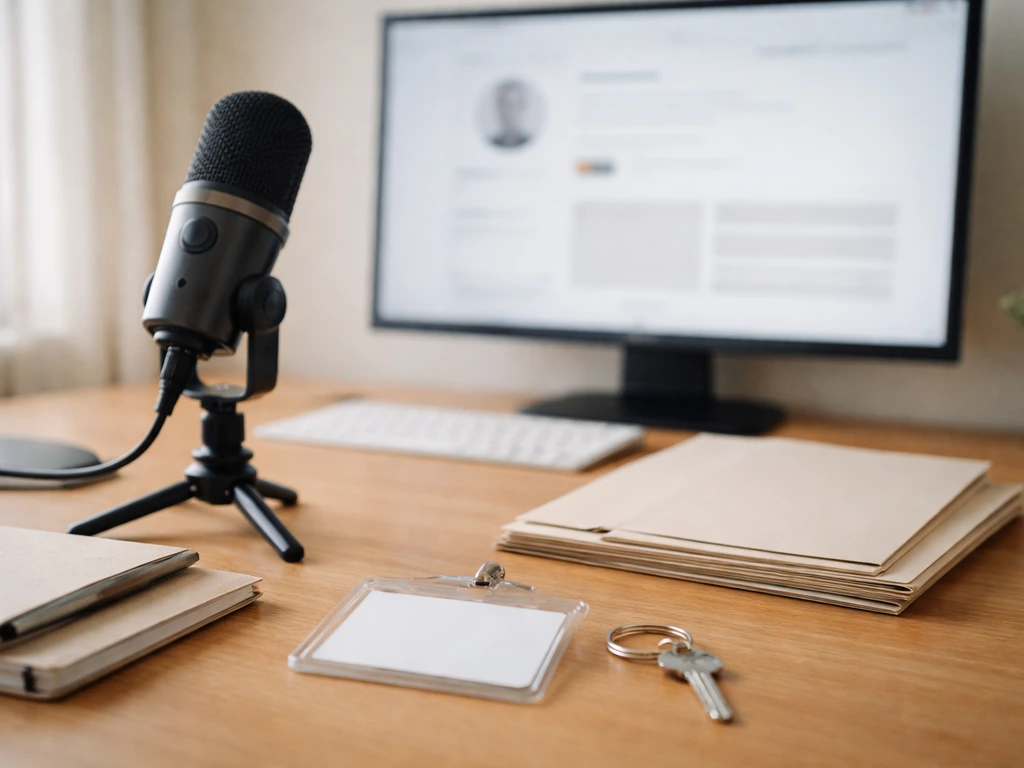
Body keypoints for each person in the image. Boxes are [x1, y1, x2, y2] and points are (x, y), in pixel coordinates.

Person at [490, 80, 533, 148]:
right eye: (504, 104)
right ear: (499, 108)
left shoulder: (530, 142)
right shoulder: (491, 142)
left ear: (522, 107)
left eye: (513, 105)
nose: (509, 111)